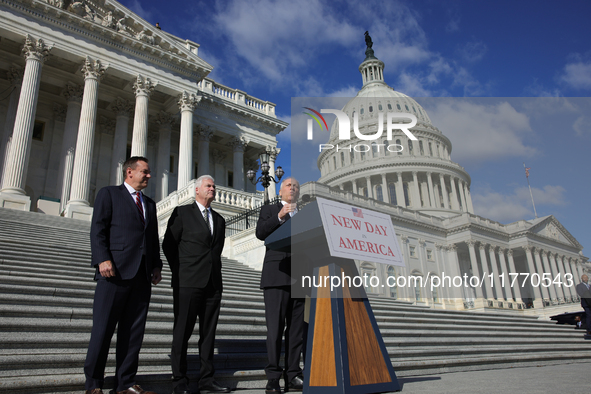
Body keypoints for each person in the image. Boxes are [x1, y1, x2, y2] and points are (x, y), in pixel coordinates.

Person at [84, 156, 162, 394]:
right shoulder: (109, 194)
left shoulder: (149, 204)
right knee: (103, 330)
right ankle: (94, 384)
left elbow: (152, 238)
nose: (149, 176)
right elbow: (98, 228)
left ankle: (125, 383)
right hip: (113, 273)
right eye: (145, 172)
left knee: (133, 333)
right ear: (130, 172)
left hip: (141, 276)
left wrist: (156, 265)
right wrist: (102, 258)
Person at [162, 175, 230, 394]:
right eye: (208, 186)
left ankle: (206, 380)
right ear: (197, 190)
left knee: (208, 334)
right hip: (188, 282)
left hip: (213, 284)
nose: (213, 188)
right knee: (182, 332)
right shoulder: (182, 213)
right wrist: (180, 271)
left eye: (214, 185)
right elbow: (169, 245)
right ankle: (179, 381)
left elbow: (216, 250)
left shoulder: (219, 219)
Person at [256, 177, 305, 394]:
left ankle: (293, 374)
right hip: (276, 276)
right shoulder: (270, 209)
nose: (292, 188)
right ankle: (273, 377)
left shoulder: (304, 216)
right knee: (275, 330)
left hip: (300, 278)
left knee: (296, 332)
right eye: (288, 185)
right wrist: (280, 216)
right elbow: (261, 233)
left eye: (296, 186)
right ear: (280, 191)